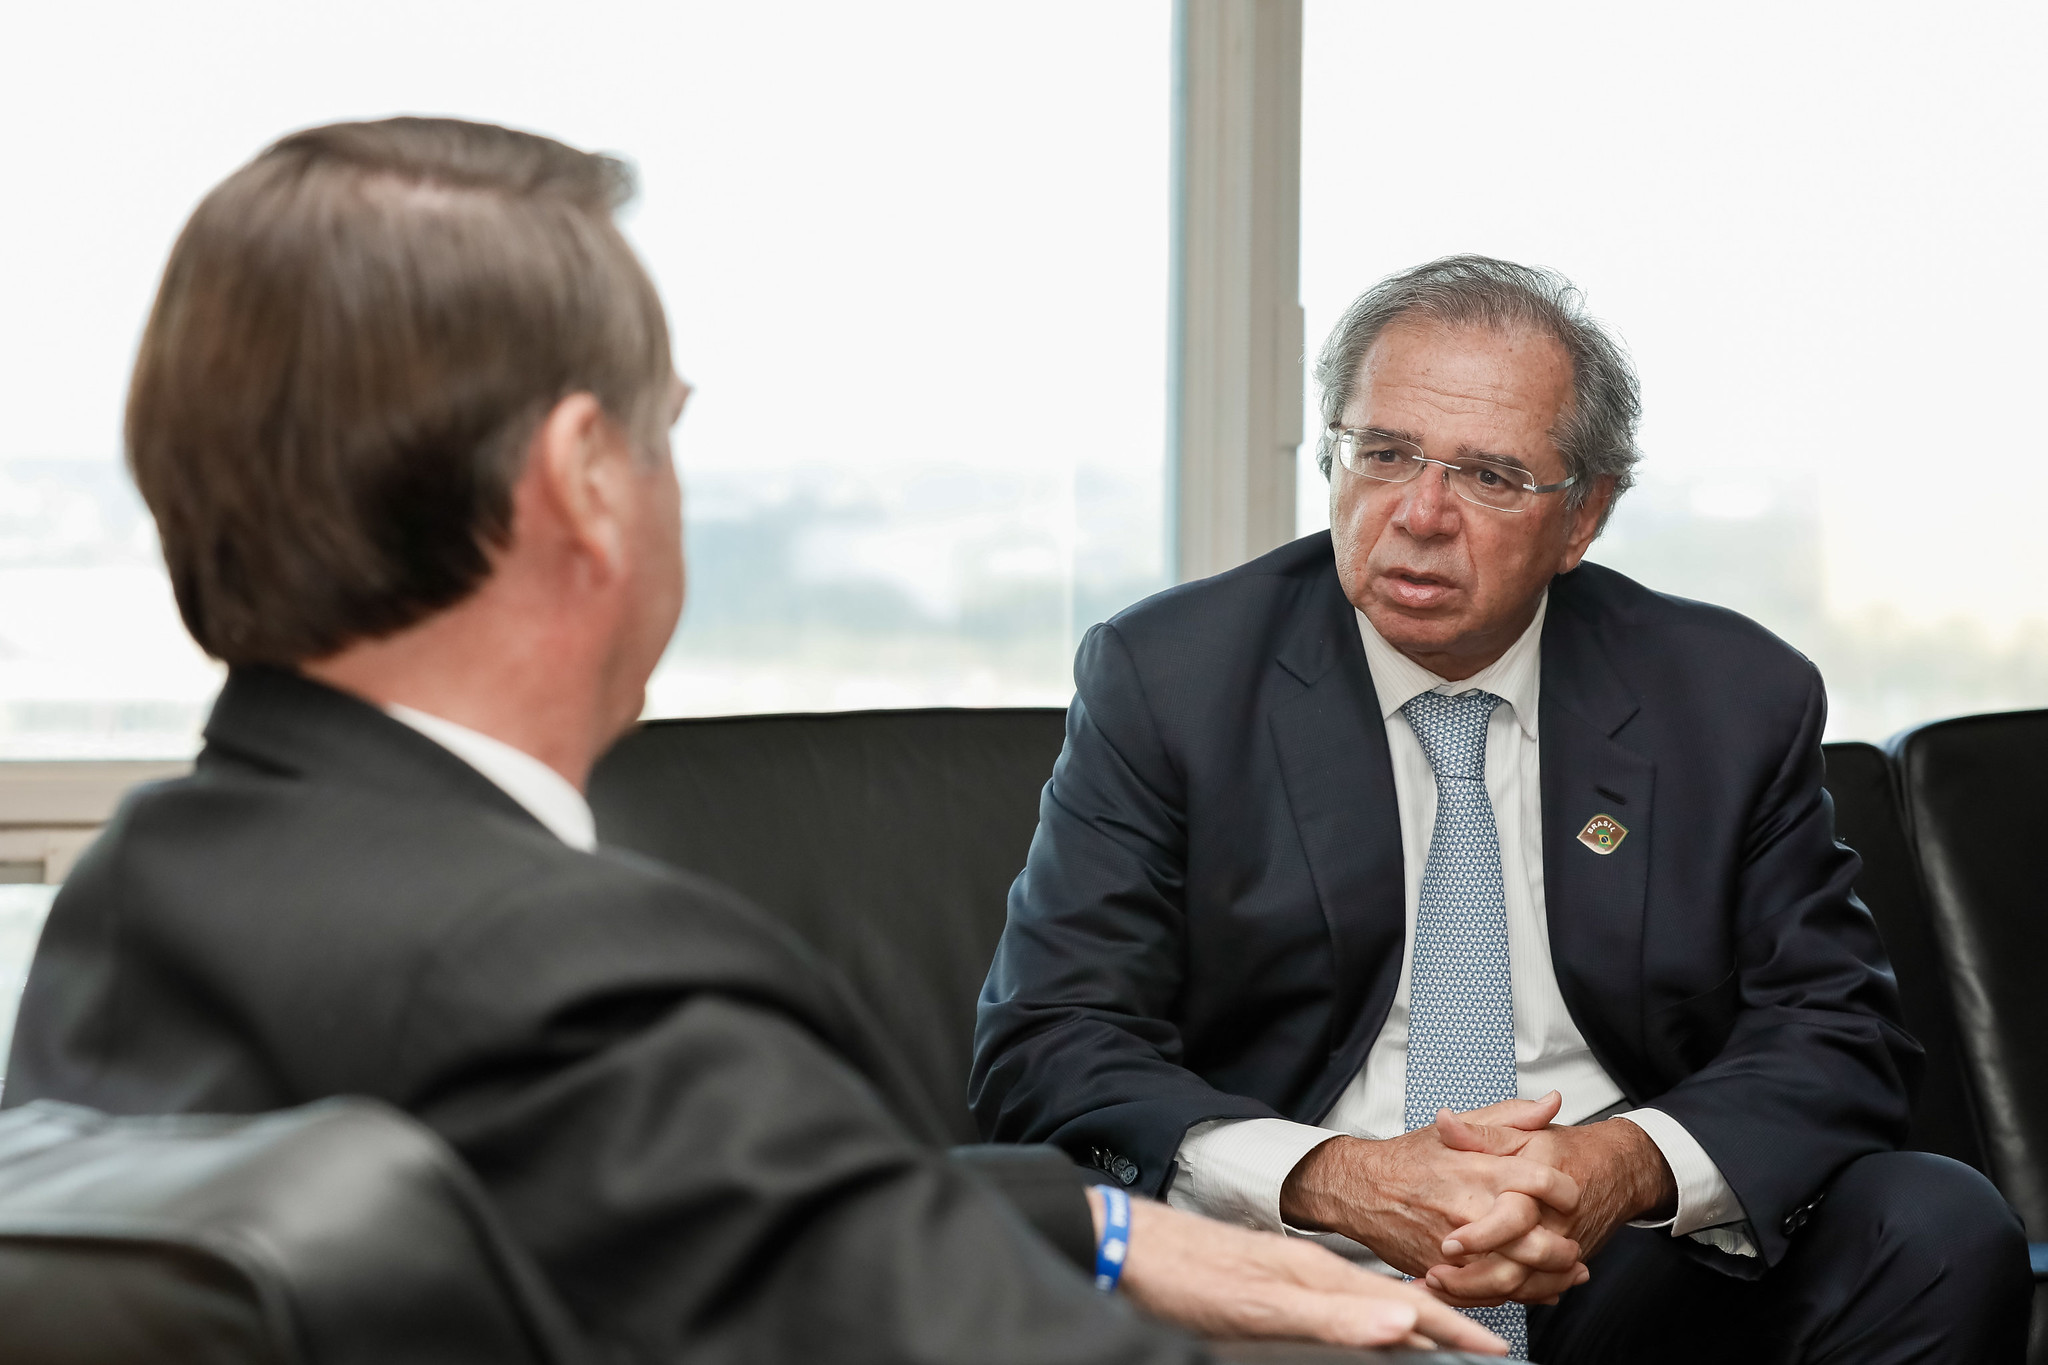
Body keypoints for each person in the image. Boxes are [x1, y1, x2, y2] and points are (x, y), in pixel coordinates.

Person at [0, 121, 1505, 1362]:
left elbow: (634, 1213)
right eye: (666, 425)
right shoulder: (580, 982)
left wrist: (1101, 1225)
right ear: (587, 480)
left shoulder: (152, 885)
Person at [971, 255, 2032, 1362]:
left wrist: (1610, 1170)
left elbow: (1836, 1031)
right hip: (1297, 1258)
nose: (1418, 516)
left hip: (1616, 1262)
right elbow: (1050, 1042)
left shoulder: (1724, 696)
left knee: (1937, 1228)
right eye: (1381, 455)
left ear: (1582, 516)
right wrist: (1337, 1181)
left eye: (1488, 477)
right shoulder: (1170, 677)